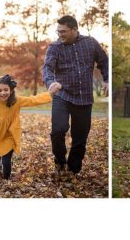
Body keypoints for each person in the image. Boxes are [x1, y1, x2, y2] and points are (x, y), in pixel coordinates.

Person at [41, 15, 109, 175]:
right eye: (58, 31)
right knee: (58, 130)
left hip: (84, 97)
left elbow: (104, 61)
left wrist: (107, 80)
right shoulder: (54, 47)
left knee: (80, 136)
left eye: (63, 31)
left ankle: (73, 168)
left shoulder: (90, 43)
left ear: (74, 29)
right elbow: (47, 68)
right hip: (62, 95)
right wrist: (50, 82)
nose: (60, 35)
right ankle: (59, 160)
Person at [0, 74, 52, 181]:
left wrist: (50, 94)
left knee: (6, 160)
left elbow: (33, 100)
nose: (3, 93)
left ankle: (6, 179)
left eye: (6, 90)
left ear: (11, 90)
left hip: (10, 133)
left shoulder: (16, 100)